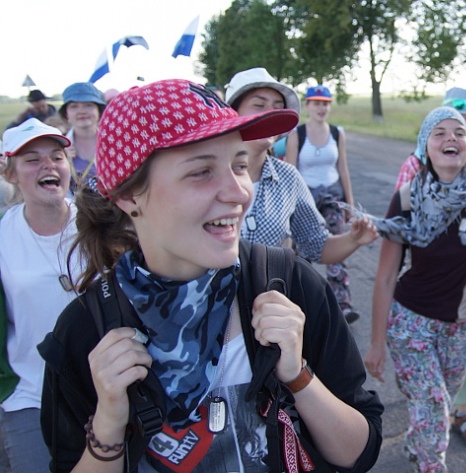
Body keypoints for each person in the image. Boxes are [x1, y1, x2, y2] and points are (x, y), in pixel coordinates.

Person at [38, 79, 383, 473]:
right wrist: (109, 423)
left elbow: (359, 452)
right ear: (130, 195)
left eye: (238, 164)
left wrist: (298, 376)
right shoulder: (86, 330)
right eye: (202, 171)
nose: (238, 192)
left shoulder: (290, 287)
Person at [364, 107, 466, 472]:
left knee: (436, 404)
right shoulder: (407, 199)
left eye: (458, 132)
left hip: (462, 327)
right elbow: (385, 276)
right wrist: (377, 342)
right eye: (439, 132)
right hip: (410, 322)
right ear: (425, 147)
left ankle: (417, 443)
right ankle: (430, 464)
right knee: (432, 405)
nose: (450, 138)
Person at [395, 88, 466, 446]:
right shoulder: (417, 162)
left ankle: (464, 410)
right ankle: (431, 408)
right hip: (429, 267)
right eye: (460, 118)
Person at [226, 69, 377, 324]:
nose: (269, 113)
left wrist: (353, 239)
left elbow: (317, 245)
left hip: (267, 322)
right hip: (210, 314)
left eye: (277, 108)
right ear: (232, 111)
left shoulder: (288, 178)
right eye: (259, 105)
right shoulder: (206, 175)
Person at [0, 118, 81, 473]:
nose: (48, 166)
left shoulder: (100, 226)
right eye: (32, 159)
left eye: (57, 157)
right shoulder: (3, 234)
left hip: (106, 393)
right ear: (11, 174)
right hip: (30, 396)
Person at [284, 84, 361, 322]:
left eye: (325, 103)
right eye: (316, 103)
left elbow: (343, 169)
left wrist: (350, 203)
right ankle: (303, 303)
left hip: (332, 198)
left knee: (339, 247)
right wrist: (287, 208)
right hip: (303, 198)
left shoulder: (337, 134)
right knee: (301, 253)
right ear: (307, 105)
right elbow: (290, 170)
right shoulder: (298, 134)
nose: (321, 108)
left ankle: (342, 305)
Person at [59, 82, 106, 186]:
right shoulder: (58, 147)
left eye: (88, 105)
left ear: (99, 111)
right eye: (74, 106)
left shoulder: (114, 143)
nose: (81, 111)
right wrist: (59, 161)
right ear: (66, 113)